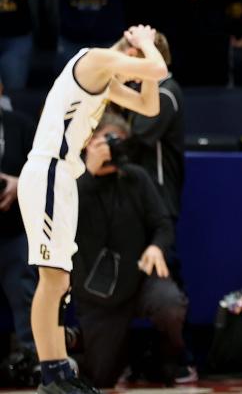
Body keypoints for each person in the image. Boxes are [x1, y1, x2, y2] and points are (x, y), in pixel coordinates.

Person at [17, 24, 168, 394]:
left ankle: (60, 373)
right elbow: (158, 71)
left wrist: (146, 57)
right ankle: (51, 374)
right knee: (52, 279)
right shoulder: (94, 58)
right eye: (138, 61)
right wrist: (147, 44)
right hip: (49, 169)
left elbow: (150, 104)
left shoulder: (106, 78)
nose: (137, 75)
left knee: (59, 280)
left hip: (64, 175)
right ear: (129, 52)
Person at [73, 113, 191, 387]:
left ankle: (166, 358)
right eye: (106, 139)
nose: (113, 146)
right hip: (96, 291)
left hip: (139, 279)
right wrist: (88, 173)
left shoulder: (136, 177)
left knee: (170, 304)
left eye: (119, 141)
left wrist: (156, 247)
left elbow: (163, 223)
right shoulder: (72, 181)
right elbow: (62, 219)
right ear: (87, 142)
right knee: (101, 377)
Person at [117, 33, 185, 220]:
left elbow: (139, 137)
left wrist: (110, 152)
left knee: (159, 245)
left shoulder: (165, 93)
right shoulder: (145, 90)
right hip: (143, 187)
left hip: (159, 189)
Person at [0, 90, 39, 358]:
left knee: (26, 295)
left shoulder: (21, 125)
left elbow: (43, 169)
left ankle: (35, 362)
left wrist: (18, 183)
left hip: (15, 229)